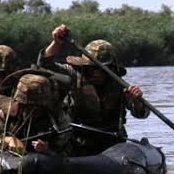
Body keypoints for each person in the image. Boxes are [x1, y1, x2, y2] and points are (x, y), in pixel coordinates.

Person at [37, 24, 149, 156]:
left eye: (99, 69)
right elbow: (44, 65)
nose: (94, 73)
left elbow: (142, 114)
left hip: (112, 144)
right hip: (77, 142)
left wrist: (137, 101)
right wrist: (56, 43)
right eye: (90, 68)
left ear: (111, 69)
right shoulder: (73, 74)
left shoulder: (119, 85)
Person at [0, 73, 71, 156]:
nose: (30, 110)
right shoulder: (6, 114)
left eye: (35, 106)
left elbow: (67, 153)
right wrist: (7, 140)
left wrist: (46, 149)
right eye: (25, 105)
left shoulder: (58, 119)